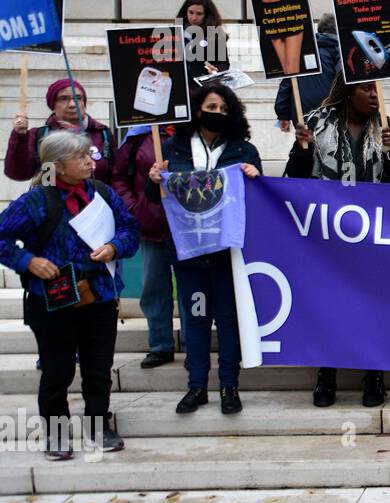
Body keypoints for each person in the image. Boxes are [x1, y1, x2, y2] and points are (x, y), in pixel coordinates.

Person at [0, 131, 139, 459]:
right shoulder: (37, 200)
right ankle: (56, 434)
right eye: (81, 158)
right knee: (56, 369)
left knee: (98, 367)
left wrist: (114, 247)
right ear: (58, 166)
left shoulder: (102, 194)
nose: (91, 162)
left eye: (90, 155)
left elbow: (130, 230)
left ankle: (97, 426)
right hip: (52, 299)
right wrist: (28, 261)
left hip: (100, 295)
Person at [288, 73, 390, 408]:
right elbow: (295, 178)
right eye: (366, 89)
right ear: (347, 92)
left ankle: (373, 376)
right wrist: (303, 149)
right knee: (328, 306)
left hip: (373, 237)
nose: (374, 95)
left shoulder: (388, 127)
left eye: (376, 89)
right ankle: (325, 375)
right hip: (327, 238)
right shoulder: (316, 124)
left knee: (372, 306)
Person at [147, 85, 261, 415]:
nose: (219, 113)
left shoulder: (244, 150)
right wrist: (154, 180)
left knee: (227, 320)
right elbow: (157, 200)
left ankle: (229, 386)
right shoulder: (174, 148)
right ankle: (196, 386)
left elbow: (255, 200)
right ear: (197, 110)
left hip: (227, 253)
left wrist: (254, 178)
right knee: (196, 319)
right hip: (190, 255)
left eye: (225, 109)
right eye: (213, 107)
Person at [111, 124, 175, 368]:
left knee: (194, 288)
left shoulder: (193, 131)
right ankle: (160, 345)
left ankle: (194, 344)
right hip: (152, 223)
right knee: (153, 286)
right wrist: (133, 208)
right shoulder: (138, 137)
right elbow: (119, 177)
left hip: (188, 226)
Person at [6, 78, 115, 185]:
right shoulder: (38, 135)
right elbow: (18, 174)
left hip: (97, 201)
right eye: (63, 98)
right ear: (52, 105)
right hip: (51, 201)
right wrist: (20, 137)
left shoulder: (102, 133)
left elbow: (116, 176)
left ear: (84, 103)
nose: (72, 104)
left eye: (78, 98)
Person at [274, 13, 341, 132]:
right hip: (331, 114)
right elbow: (342, 80)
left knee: (307, 146)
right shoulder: (340, 51)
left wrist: (283, 115)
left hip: (302, 115)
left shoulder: (300, 51)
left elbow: (287, 84)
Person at [177, 0, 230, 74]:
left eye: (199, 14)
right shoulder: (177, 32)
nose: (194, 18)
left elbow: (224, 64)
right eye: (191, 12)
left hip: (205, 83)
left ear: (207, 15)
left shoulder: (215, 35)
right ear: (185, 12)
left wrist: (216, 69)